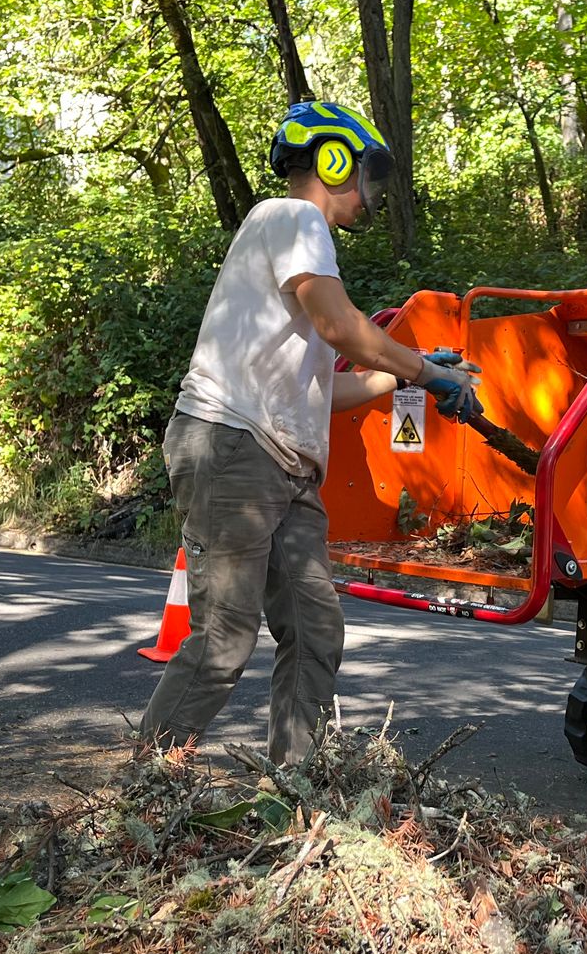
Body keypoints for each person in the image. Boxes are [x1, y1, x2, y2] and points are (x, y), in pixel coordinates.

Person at [138, 100, 481, 764]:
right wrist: (426, 373)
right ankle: (147, 791)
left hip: (279, 462)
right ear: (333, 160)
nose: (371, 195)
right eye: (365, 176)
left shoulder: (293, 246)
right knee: (222, 634)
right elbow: (341, 328)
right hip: (232, 446)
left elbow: (328, 390)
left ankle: (297, 785)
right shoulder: (294, 218)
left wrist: (411, 378)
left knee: (314, 626)